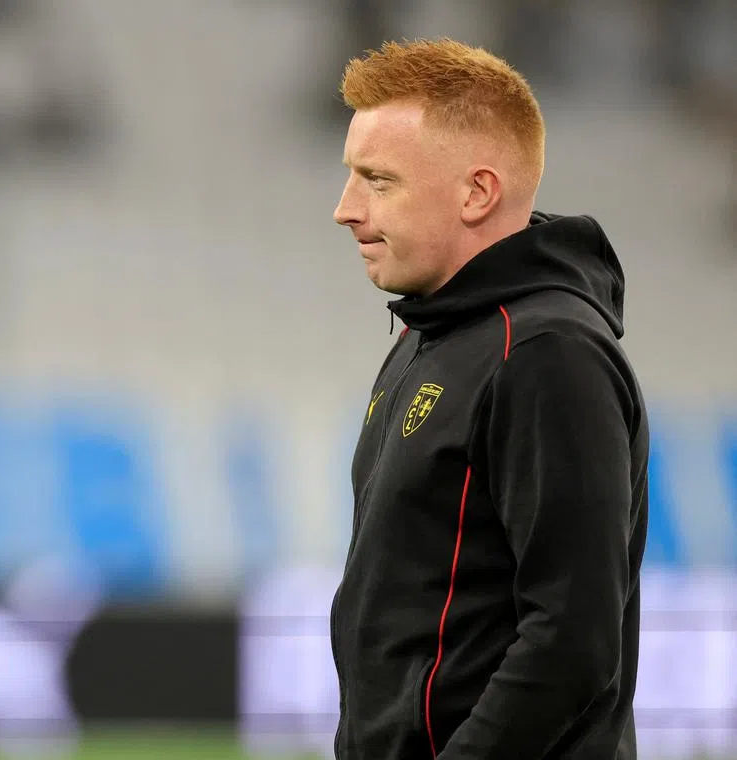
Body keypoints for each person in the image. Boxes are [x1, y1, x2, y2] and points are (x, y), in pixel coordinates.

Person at [328, 39, 649, 759]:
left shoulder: (546, 354)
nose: (345, 209)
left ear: (477, 192)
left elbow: (572, 641)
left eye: (378, 180)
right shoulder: (431, 333)